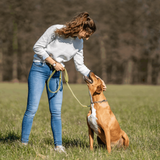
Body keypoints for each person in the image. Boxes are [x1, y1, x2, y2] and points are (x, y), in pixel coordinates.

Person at [21, 12, 106, 153]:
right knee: (32, 109)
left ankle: (58, 146)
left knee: (56, 111)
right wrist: (54, 63)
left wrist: (95, 77)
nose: (88, 38)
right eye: (87, 34)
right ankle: (23, 144)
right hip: (39, 69)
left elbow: (80, 65)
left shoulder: (79, 42)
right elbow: (37, 47)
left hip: (56, 74)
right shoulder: (56, 30)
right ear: (80, 28)